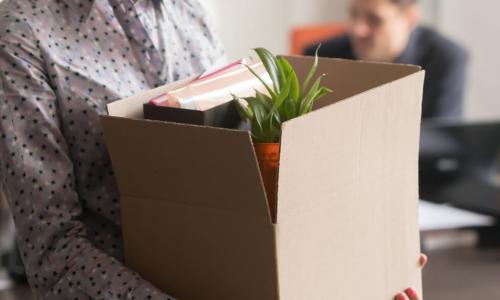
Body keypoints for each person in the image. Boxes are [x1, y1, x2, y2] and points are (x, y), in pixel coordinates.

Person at [0, 0, 424, 299]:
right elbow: (52, 252)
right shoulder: (21, 29)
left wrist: (358, 270)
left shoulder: (192, 11)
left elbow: (242, 184)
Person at [305, 0, 469, 120]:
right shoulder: (320, 56)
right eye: (353, 14)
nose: (357, 30)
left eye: (374, 20)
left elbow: (441, 143)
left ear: (410, 19)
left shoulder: (446, 59)